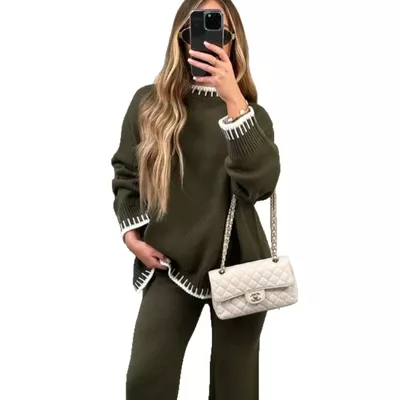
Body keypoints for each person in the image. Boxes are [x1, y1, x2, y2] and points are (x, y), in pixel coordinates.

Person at [110, 0, 281, 398]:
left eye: (219, 30)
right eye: (194, 30)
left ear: (233, 41)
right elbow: (126, 172)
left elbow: (261, 186)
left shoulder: (252, 114)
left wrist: (235, 103)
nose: (206, 40)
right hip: (169, 262)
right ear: (180, 38)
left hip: (241, 266)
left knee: (235, 387)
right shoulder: (148, 104)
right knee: (146, 380)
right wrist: (132, 235)